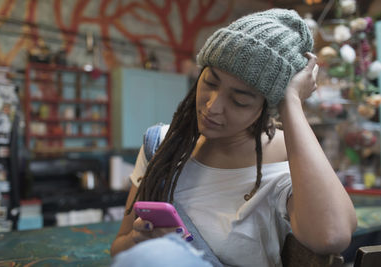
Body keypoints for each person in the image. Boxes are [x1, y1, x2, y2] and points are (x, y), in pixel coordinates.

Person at [110, 8, 357, 267]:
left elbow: (332, 235)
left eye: (239, 100)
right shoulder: (162, 146)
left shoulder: (286, 161)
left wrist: (291, 101)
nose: (213, 107)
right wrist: (141, 240)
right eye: (210, 83)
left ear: (266, 107)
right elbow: (119, 251)